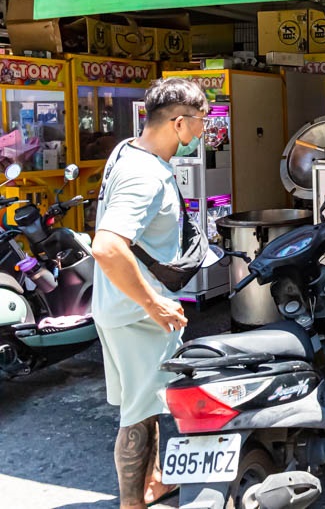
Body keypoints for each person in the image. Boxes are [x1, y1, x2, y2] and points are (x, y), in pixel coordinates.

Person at [91, 77, 208, 509]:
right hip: (136, 315)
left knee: (149, 402)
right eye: (199, 122)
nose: (202, 132)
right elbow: (107, 245)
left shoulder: (130, 149)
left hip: (119, 306)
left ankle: (154, 483)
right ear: (178, 123)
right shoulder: (145, 175)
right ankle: (131, 503)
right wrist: (152, 301)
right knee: (137, 415)